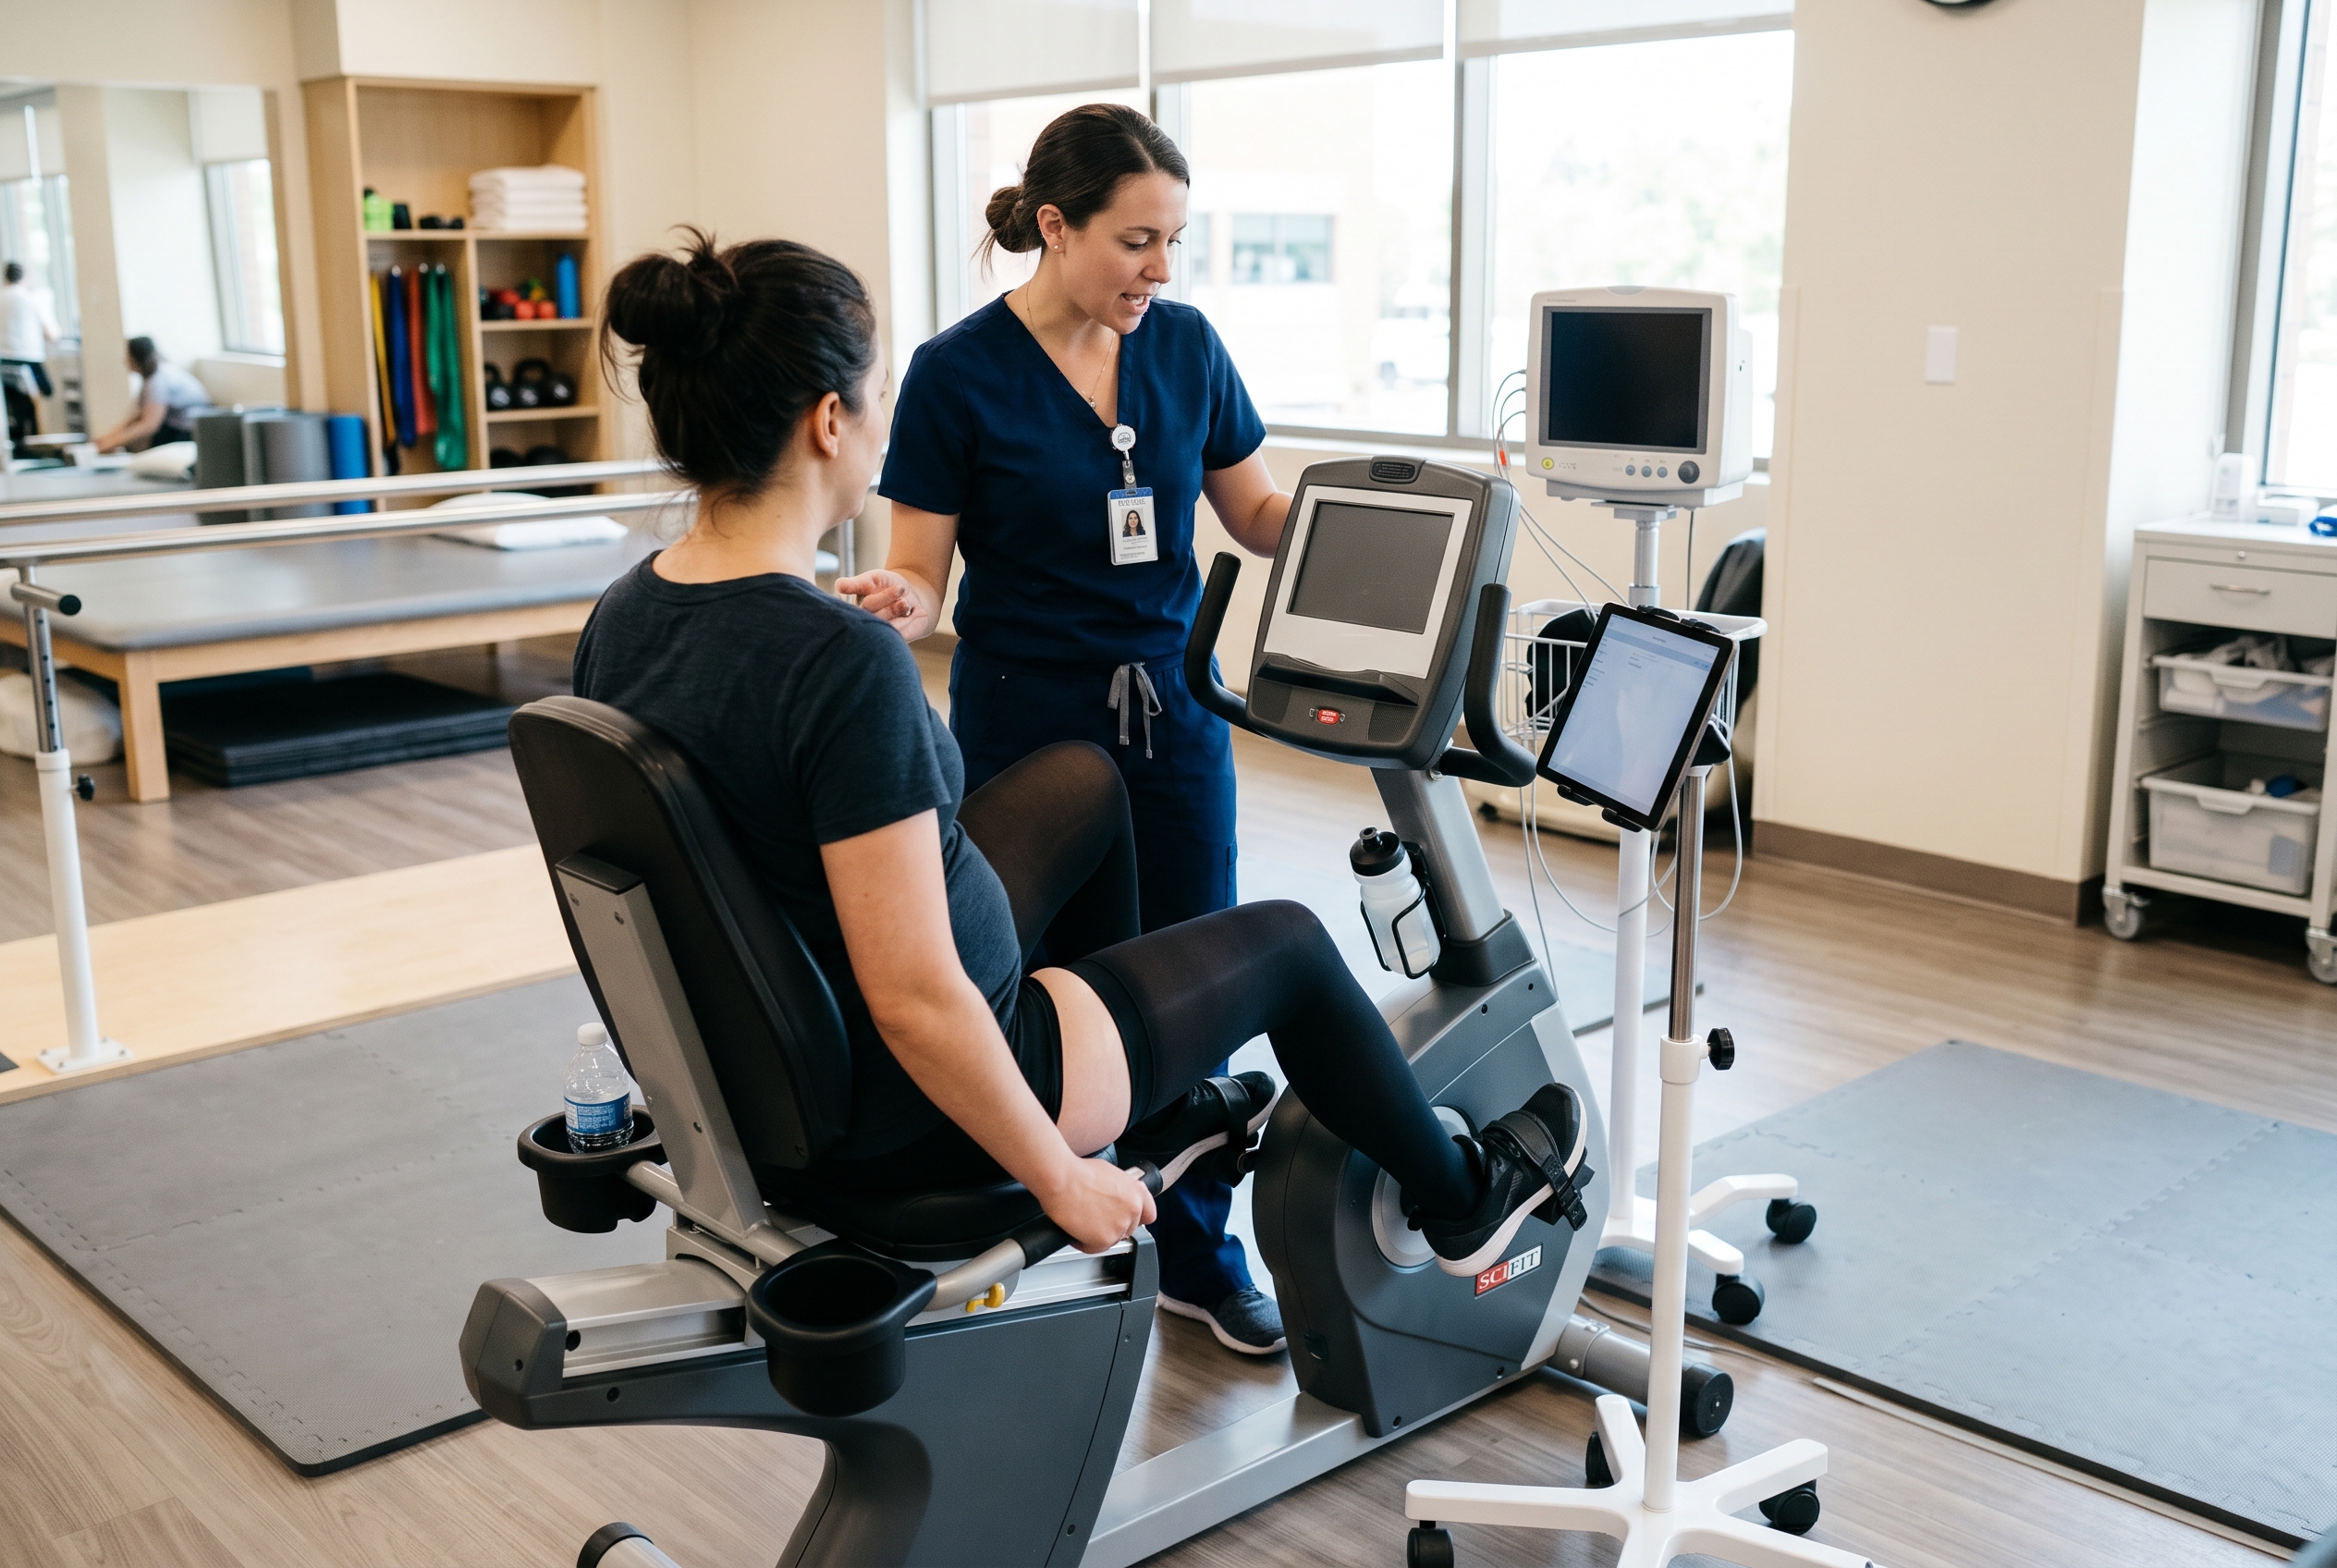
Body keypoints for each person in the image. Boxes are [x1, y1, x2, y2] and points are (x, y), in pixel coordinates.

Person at [575, 230, 1587, 1300]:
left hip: (779, 1055)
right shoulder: (838, 658)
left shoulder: (628, 614)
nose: (882, 422)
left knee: (1082, 779)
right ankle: (1463, 1196)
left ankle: (1147, 1105)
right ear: (831, 421)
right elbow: (916, 996)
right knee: (1289, 940)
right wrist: (1058, 1177)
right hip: (918, 1094)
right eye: (873, 396)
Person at [839, 103, 1294, 1358]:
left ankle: (1199, 1247)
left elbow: (1254, 514)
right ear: (1055, 226)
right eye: (1137, 241)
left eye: (1175, 242)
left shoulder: (1189, 347)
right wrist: (900, 599)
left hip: (1177, 709)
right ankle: (1057, 1212)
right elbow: (922, 567)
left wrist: (1378, 522)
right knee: (1052, 985)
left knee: (1201, 977)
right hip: (1030, 724)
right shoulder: (958, 372)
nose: (1161, 270)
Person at [93, 337, 207, 453]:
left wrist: (110, 444)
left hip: (189, 431)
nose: (125, 361)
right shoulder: (157, 375)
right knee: (132, 436)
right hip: (181, 426)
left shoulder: (158, 380)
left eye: (127, 356)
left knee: (137, 440)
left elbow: (149, 425)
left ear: (135, 358)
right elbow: (137, 416)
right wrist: (106, 439)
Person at [1, 261, 59, 453]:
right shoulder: (32, 299)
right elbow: (50, 333)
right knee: (44, 392)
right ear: (24, 276)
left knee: (12, 402)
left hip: (4, 359)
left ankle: (19, 440)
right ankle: (33, 440)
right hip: (29, 357)